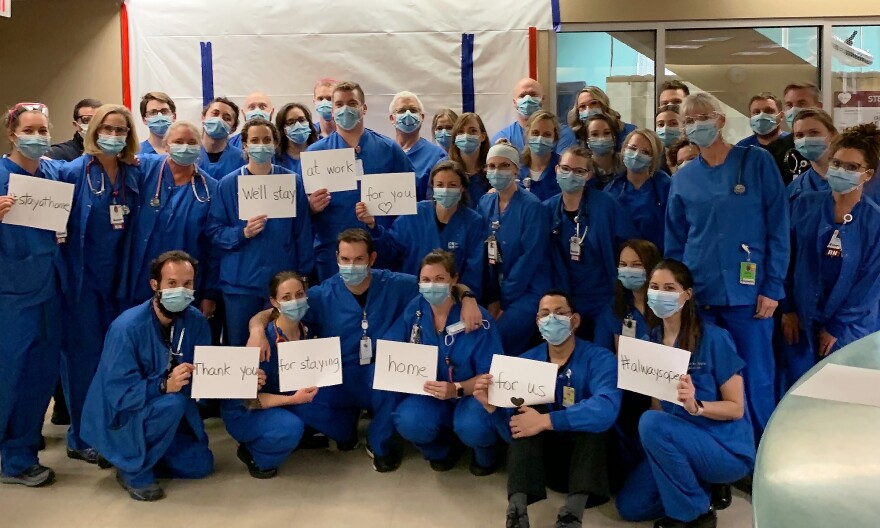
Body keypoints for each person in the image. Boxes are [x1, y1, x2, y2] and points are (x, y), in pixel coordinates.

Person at [247, 229, 482, 472]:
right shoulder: (321, 295)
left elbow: (438, 281)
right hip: (339, 374)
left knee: (390, 378)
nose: (352, 266)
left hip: (378, 372)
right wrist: (256, 330)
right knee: (307, 400)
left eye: (359, 259)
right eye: (345, 260)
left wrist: (468, 297)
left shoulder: (395, 284)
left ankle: (381, 445)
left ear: (372, 258)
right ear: (336, 258)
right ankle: (345, 429)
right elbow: (271, 312)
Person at [666, 92, 789, 443]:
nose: (696, 124)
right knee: (705, 376)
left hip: (748, 295)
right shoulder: (684, 177)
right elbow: (675, 243)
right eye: (689, 120)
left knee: (756, 375)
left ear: (720, 121)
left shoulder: (756, 162)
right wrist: (677, 296)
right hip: (700, 294)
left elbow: (777, 226)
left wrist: (772, 286)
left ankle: (759, 452)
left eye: (703, 116)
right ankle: (717, 451)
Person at [616, 260, 755, 528]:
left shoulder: (713, 338)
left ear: (687, 294)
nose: (660, 294)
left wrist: (697, 406)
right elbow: (657, 407)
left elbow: (736, 408)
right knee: (631, 506)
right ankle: (700, 487)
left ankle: (695, 514)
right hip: (677, 442)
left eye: (670, 287)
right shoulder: (651, 342)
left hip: (724, 447)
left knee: (650, 422)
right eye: (655, 287)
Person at [473, 290, 621, 528]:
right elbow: (512, 432)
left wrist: (547, 421)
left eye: (560, 313)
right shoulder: (525, 363)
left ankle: (571, 516)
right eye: (545, 314)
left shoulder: (600, 359)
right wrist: (492, 408)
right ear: (537, 322)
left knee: (592, 418)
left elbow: (607, 409)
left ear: (575, 320)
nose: (552, 319)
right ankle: (517, 512)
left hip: (593, 467)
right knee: (525, 411)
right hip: (548, 467)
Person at [80, 251, 214, 501]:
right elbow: (119, 395)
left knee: (201, 465)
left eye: (187, 284)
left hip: (165, 411)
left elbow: (206, 376)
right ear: (155, 285)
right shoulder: (126, 328)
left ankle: (137, 454)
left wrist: (243, 379)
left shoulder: (196, 322)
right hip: (124, 412)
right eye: (172, 284)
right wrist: (164, 385)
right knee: (173, 403)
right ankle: (131, 468)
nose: (181, 291)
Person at [55, 104, 143, 465]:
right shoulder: (72, 172)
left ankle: (109, 425)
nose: (114, 135)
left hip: (118, 281)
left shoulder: (132, 174)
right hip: (82, 283)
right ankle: (80, 436)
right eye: (107, 128)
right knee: (82, 360)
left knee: (115, 360)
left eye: (121, 130)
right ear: (93, 130)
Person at [781, 124, 880, 391]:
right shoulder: (804, 205)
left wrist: (837, 326)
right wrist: (788, 307)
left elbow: (869, 285)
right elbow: (785, 259)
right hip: (801, 316)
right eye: (837, 163)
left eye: (851, 167)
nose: (841, 171)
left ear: (867, 175)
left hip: (850, 326)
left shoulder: (874, 222)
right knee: (799, 391)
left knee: (842, 394)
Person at [386, 250, 504, 475]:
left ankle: (485, 455)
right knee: (409, 419)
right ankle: (440, 451)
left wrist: (456, 390)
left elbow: (492, 375)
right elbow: (395, 347)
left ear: (454, 280)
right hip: (431, 393)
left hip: (471, 394)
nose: (432, 286)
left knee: (473, 426)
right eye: (426, 280)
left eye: (440, 279)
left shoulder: (477, 319)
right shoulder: (415, 310)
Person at [0, 102, 64, 487]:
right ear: (12, 134)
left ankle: (20, 457)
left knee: (40, 376)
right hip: (11, 295)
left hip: (50, 291)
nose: (38, 137)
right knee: (7, 377)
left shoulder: (52, 173)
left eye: (43, 130)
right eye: (30, 130)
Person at [207, 118, 312, 346]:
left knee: (282, 347)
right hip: (240, 285)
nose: (261, 145)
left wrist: (302, 277)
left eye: (266, 140)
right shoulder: (228, 185)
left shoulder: (291, 182)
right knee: (242, 349)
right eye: (254, 140)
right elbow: (214, 232)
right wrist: (242, 233)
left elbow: (303, 233)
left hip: (282, 284)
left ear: (275, 144)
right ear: (244, 145)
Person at [305, 80, 415, 282]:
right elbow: (301, 212)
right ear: (332, 109)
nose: (345, 109)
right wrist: (311, 207)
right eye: (339, 104)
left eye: (352, 103)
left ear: (363, 108)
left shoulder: (389, 150)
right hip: (332, 254)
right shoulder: (315, 155)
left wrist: (385, 235)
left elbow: (408, 203)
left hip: (379, 250)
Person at [221, 271, 313, 480]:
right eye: (286, 297)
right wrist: (293, 399)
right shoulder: (263, 344)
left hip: (279, 398)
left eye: (299, 295)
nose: (295, 302)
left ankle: (291, 433)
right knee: (290, 427)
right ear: (274, 302)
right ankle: (255, 453)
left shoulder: (307, 329)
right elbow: (249, 400)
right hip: (246, 411)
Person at [120, 121, 218, 315]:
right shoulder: (144, 168)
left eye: (192, 142)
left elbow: (213, 247)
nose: (185, 147)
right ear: (166, 146)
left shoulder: (210, 189)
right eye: (179, 141)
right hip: (141, 275)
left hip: (184, 283)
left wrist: (210, 293)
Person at [545, 146, 637, 339]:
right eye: (566, 169)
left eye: (579, 171)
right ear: (556, 170)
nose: (571, 175)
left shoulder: (606, 205)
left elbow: (630, 245)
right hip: (565, 297)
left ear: (588, 175)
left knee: (602, 348)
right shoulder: (547, 210)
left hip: (603, 296)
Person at [357, 160, 485, 297]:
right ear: (433, 187)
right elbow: (389, 252)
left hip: (452, 298)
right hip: (412, 294)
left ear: (462, 188)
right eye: (440, 185)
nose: (446, 190)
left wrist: (464, 297)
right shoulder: (415, 214)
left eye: (452, 185)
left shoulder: (473, 222)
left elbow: (474, 271)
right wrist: (373, 226)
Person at [478, 140, 551, 356]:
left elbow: (529, 258)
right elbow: (482, 253)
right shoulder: (485, 203)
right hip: (496, 291)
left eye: (504, 166)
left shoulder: (531, 207)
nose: (497, 171)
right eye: (491, 166)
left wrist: (504, 301)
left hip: (526, 290)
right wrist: (492, 296)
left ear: (516, 170)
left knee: (497, 336)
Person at [604, 129, 671, 252]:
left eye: (645, 152)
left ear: (653, 158)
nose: (636, 155)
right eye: (632, 148)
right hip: (622, 262)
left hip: (657, 260)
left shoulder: (664, 186)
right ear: (624, 150)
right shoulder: (612, 191)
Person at [594, 239, 662, 353]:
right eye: (623, 265)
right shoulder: (613, 309)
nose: (629, 270)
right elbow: (601, 354)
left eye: (636, 265)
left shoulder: (668, 306)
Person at [492, 77, 577, 154]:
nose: (528, 99)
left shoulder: (563, 134)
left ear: (543, 99)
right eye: (522, 96)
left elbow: (563, 166)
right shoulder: (502, 137)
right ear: (515, 103)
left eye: (533, 95)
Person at [388, 91, 447, 201]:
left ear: (422, 117)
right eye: (402, 110)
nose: (408, 114)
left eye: (413, 110)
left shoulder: (437, 156)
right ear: (392, 118)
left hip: (422, 217)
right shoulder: (383, 152)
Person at [765, 82, 821, 185]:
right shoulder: (774, 150)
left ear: (818, 107)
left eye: (801, 103)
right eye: (789, 105)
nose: (794, 110)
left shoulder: (834, 147)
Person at [786, 109, 838, 208]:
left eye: (814, 132)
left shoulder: (856, 179)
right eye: (799, 135)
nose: (806, 140)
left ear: (832, 135)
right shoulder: (794, 191)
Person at [569, 85, 636, 152]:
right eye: (582, 106)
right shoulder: (573, 137)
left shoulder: (629, 132)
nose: (588, 109)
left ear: (604, 105)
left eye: (594, 103)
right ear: (577, 111)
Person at [449, 112, 492, 204]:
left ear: (483, 136)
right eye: (460, 132)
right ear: (455, 137)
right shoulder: (446, 169)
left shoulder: (493, 169)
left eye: (473, 131)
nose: (466, 135)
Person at [198, 96, 245, 181]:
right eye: (215, 114)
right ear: (203, 118)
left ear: (233, 129)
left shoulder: (242, 160)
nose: (219, 119)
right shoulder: (189, 154)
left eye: (227, 118)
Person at [519, 110, 562, 201]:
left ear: (555, 138)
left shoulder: (563, 168)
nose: (540, 138)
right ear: (527, 134)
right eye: (535, 133)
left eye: (547, 134)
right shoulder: (515, 167)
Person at [274, 102, 319, 175]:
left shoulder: (321, 150)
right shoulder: (275, 157)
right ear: (283, 128)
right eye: (291, 122)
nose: (298, 125)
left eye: (301, 120)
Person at [581, 114, 623, 188]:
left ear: (614, 137)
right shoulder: (582, 168)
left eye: (607, 133)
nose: (601, 138)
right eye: (594, 134)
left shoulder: (625, 164)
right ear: (587, 140)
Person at [655, 104, 682, 173]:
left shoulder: (693, 155)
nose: (665, 129)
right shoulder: (653, 158)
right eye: (660, 124)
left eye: (673, 123)